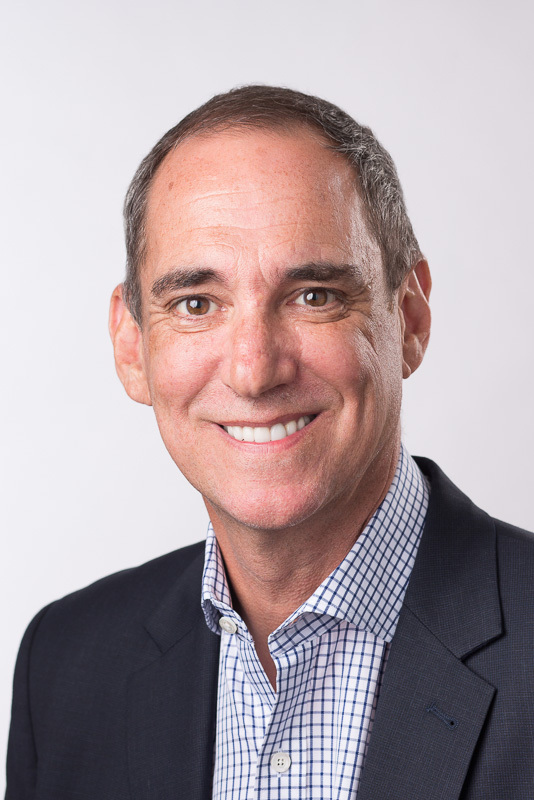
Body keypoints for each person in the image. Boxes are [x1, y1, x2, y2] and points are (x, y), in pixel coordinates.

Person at [6, 86, 534, 800]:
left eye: (314, 295)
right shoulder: (65, 667)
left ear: (409, 317)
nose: (254, 372)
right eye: (196, 304)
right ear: (132, 346)